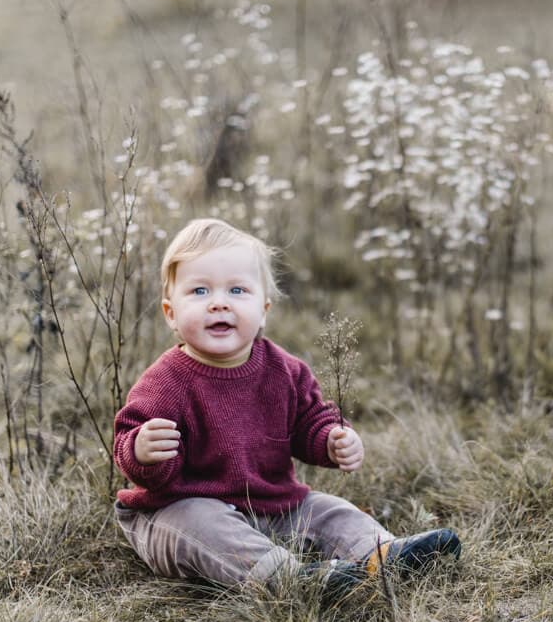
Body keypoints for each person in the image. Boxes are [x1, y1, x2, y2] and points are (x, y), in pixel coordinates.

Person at [112, 218, 460, 598]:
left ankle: (381, 555)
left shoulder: (284, 370)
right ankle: (292, 580)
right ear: (171, 313)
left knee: (327, 509)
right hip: (171, 511)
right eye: (199, 290)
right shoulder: (166, 382)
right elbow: (129, 438)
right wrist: (142, 451)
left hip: (269, 504)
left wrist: (330, 440)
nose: (219, 302)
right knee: (202, 523)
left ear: (263, 310)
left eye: (237, 290)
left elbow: (310, 421)